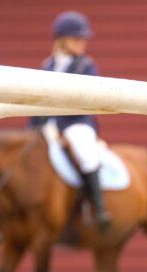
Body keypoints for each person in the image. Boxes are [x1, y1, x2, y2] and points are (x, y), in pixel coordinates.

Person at [33, 10, 111, 237]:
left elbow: (87, 102)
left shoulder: (86, 66)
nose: (81, 42)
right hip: (49, 124)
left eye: (83, 38)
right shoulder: (47, 65)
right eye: (76, 38)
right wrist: (34, 127)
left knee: (85, 152)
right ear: (61, 39)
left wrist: (61, 129)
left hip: (77, 123)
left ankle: (99, 208)